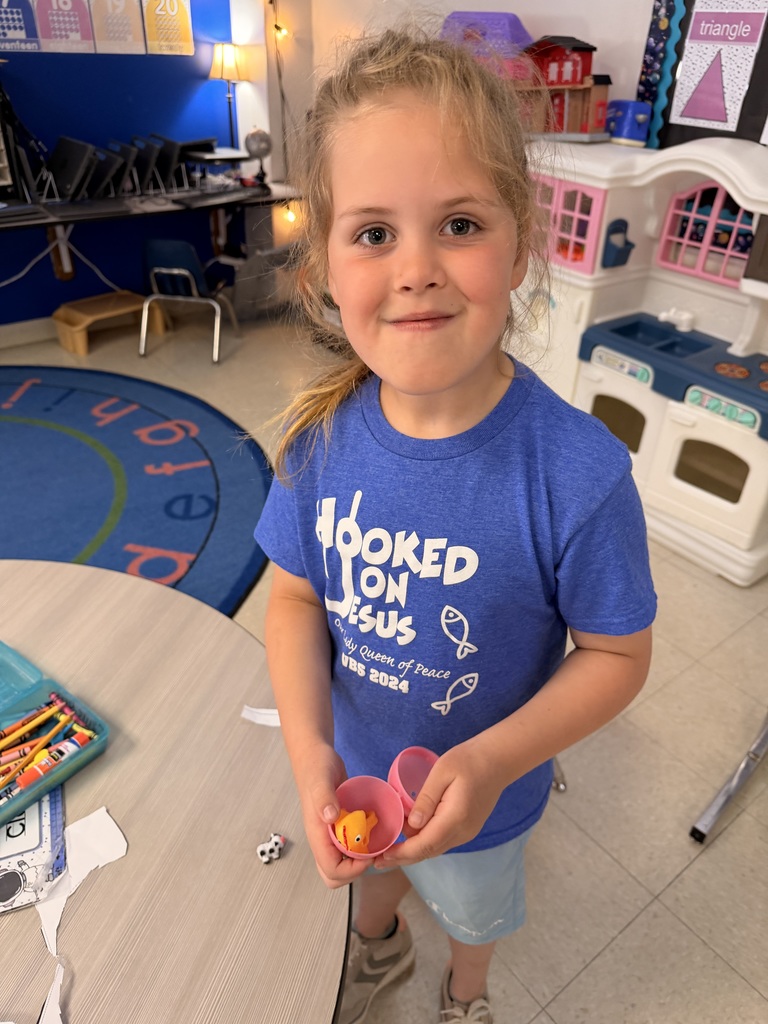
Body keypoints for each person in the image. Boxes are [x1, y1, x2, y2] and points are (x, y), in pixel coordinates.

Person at [255, 26, 656, 1024]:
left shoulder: (579, 473)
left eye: (461, 224)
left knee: (476, 911)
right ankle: (379, 950)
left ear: (521, 244)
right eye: (373, 234)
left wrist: (491, 761)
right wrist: (312, 755)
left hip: (490, 795)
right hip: (358, 770)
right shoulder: (316, 442)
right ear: (321, 269)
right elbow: (294, 602)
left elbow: (617, 655)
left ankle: (465, 993)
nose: (417, 269)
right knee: (373, 884)